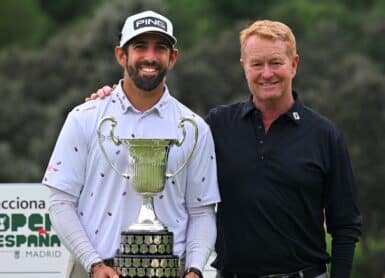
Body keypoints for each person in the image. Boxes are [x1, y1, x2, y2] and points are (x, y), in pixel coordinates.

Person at [90, 19, 362, 278]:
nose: (266, 73)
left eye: (275, 63)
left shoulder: (324, 135)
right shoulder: (216, 126)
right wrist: (116, 97)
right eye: (256, 64)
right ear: (244, 66)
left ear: (294, 64)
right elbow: (160, 129)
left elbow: (345, 225)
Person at [43, 10, 220, 278]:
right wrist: (94, 264)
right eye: (140, 47)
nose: (150, 57)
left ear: (172, 58)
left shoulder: (195, 128)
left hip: (170, 271)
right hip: (96, 270)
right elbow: (60, 202)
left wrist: (194, 270)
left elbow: (202, 212)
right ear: (121, 55)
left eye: (160, 48)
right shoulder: (85, 118)